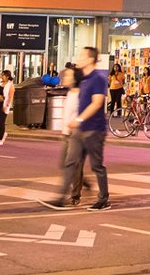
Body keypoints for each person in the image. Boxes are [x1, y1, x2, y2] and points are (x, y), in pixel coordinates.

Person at [46, 46, 110, 211]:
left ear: (90, 59)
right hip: (79, 129)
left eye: (82, 56)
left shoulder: (98, 78)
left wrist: (79, 118)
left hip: (94, 129)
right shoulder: (85, 80)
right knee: (70, 162)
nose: (79, 58)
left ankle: (103, 200)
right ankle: (61, 198)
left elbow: (97, 103)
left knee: (97, 165)